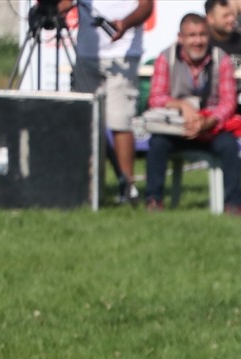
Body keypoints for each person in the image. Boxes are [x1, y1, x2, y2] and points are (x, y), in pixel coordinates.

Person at [143, 13, 241, 214]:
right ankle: (154, 200)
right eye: (191, 35)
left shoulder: (221, 59)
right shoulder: (166, 58)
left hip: (210, 127)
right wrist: (181, 105)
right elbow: (155, 97)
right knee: (157, 144)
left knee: (229, 146)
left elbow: (228, 101)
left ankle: (234, 204)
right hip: (176, 127)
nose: (197, 41)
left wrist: (209, 120)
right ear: (180, 37)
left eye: (202, 35)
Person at [66, 0, 155, 205]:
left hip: (122, 54)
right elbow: (64, 5)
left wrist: (125, 23)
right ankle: (86, 187)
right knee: (84, 123)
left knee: (120, 121)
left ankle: (127, 189)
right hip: (86, 55)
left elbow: (146, 7)